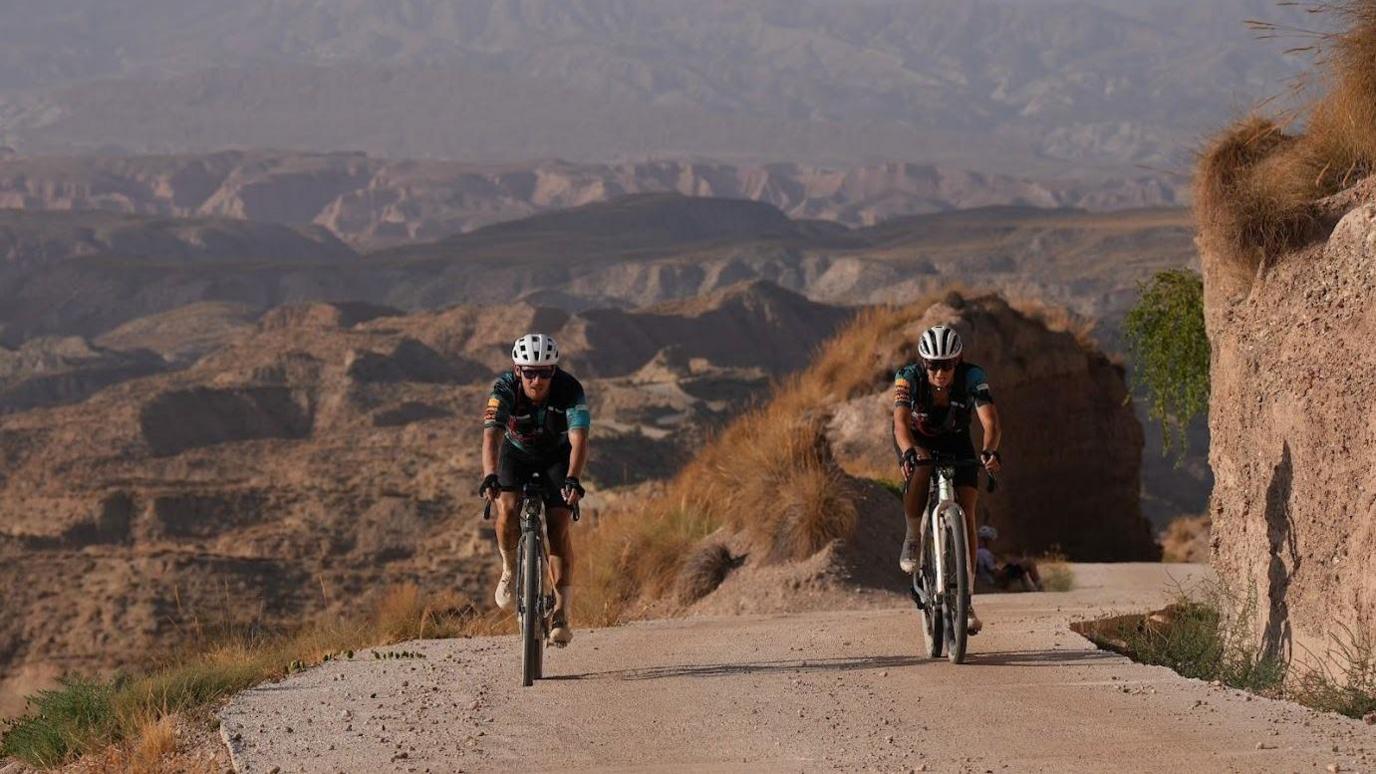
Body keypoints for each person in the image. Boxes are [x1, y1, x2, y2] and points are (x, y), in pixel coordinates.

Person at [478, 333, 590, 646]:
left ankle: (562, 614)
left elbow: (579, 440)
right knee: (509, 508)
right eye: (529, 372)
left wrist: (573, 478)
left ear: (555, 370)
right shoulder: (503, 389)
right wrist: (490, 475)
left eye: (545, 372)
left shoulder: (570, 389)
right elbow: (491, 437)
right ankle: (510, 569)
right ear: (517, 370)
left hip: (556, 457)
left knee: (558, 527)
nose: (537, 380)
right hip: (516, 454)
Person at [893, 324, 1002, 635]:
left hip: (957, 441)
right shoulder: (908, 377)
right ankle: (913, 536)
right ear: (923, 363)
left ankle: (965, 601)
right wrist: (906, 451)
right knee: (923, 464)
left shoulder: (973, 376)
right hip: (917, 441)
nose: (940, 372)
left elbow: (990, 420)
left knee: (967, 508)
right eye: (933, 365)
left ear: (958, 361)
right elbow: (900, 422)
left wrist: (989, 451)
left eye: (947, 365)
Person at [975, 525, 1042, 592]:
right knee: (1029, 562)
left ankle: (1029, 589)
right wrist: (1009, 569)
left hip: (991, 581)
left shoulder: (979, 552)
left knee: (1019, 570)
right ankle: (1040, 587)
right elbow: (996, 573)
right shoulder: (984, 553)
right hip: (996, 581)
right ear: (987, 540)